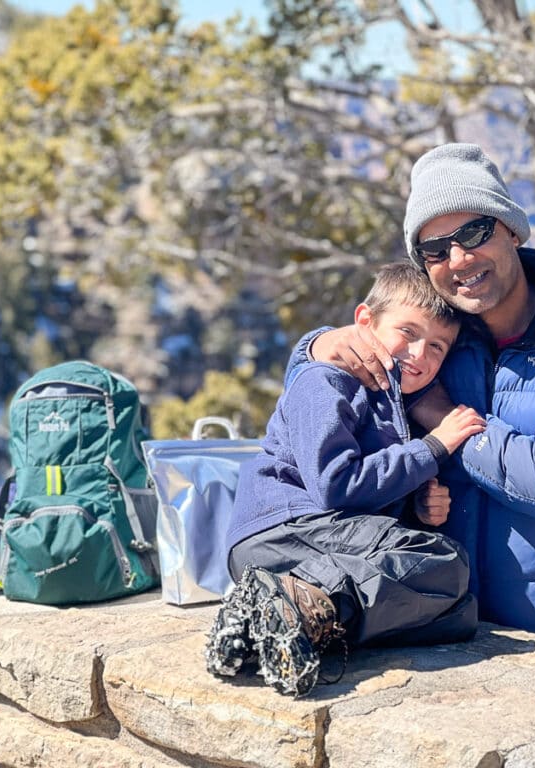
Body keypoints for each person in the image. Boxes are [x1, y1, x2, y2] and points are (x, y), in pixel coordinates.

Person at [300, 143, 535, 656]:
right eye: (436, 250)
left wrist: (440, 418)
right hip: (450, 630)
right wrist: (314, 346)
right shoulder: (439, 334)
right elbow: (346, 366)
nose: (459, 259)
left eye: (473, 233)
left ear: (511, 228)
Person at [206, 263, 485, 697]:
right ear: (364, 322)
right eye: (407, 333)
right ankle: (305, 607)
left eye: (436, 347)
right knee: (444, 564)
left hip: (312, 551)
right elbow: (336, 486)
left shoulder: (393, 403)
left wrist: (415, 507)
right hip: (284, 530)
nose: (419, 355)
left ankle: (272, 623)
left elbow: (362, 506)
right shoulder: (328, 379)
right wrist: (433, 448)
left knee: (458, 613)